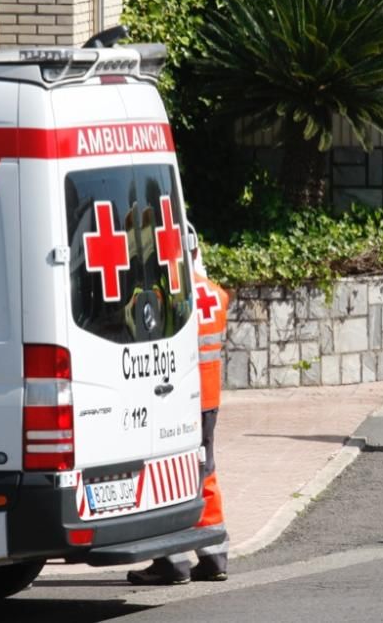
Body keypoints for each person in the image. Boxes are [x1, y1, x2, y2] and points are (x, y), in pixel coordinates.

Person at [127, 239, 230, 585]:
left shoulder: (169, 297)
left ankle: (172, 561)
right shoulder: (217, 294)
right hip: (209, 400)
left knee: (164, 475)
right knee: (207, 472)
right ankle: (215, 554)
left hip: (176, 398)